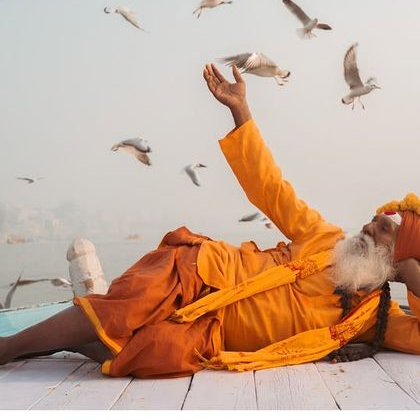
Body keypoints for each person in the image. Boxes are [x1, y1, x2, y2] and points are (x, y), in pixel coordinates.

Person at [0, 64, 419, 377]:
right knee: (121, 311)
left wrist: (413, 277)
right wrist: (241, 111)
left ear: (401, 255)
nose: (367, 227)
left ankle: (43, 344)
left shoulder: (375, 320)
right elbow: (269, 186)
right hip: (201, 272)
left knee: (150, 354)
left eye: (384, 230)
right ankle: (9, 346)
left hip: (213, 334)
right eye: (373, 220)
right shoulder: (324, 237)